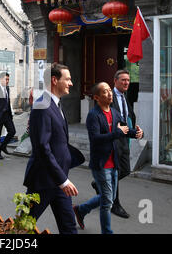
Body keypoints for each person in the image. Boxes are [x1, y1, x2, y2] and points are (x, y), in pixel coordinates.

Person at [23, 63, 85, 234]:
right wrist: (63, 180)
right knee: (24, 225)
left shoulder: (55, 103)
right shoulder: (42, 105)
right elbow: (42, 147)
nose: (71, 83)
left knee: (69, 227)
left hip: (59, 180)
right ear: (54, 80)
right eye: (68, 79)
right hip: (43, 181)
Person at [73, 82, 140, 234]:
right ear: (97, 97)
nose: (110, 94)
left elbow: (124, 129)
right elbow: (95, 138)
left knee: (106, 197)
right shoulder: (93, 115)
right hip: (101, 164)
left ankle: (80, 210)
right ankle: (107, 232)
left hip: (114, 161)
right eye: (105, 92)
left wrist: (135, 133)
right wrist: (117, 133)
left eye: (110, 90)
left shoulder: (115, 113)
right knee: (107, 202)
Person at [90, 70, 144, 218]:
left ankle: (99, 184)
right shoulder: (108, 96)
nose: (126, 82)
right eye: (123, 80)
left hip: (124, 138)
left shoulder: (125, 96)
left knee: (125, 170)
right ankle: (115, 204)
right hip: (112, 140)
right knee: (115, 171)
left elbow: (127, 118)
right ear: (115, 81)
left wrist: (137, 132)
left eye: (128, 80)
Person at [0, 72, 16, 159]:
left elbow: (7, 102)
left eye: (8, 79)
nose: (7, 81)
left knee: (12, 131)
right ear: (1, 79)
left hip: (7, 115)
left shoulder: (7, 88)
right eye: (6, 79)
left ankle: (3, 146)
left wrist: (10, 113)